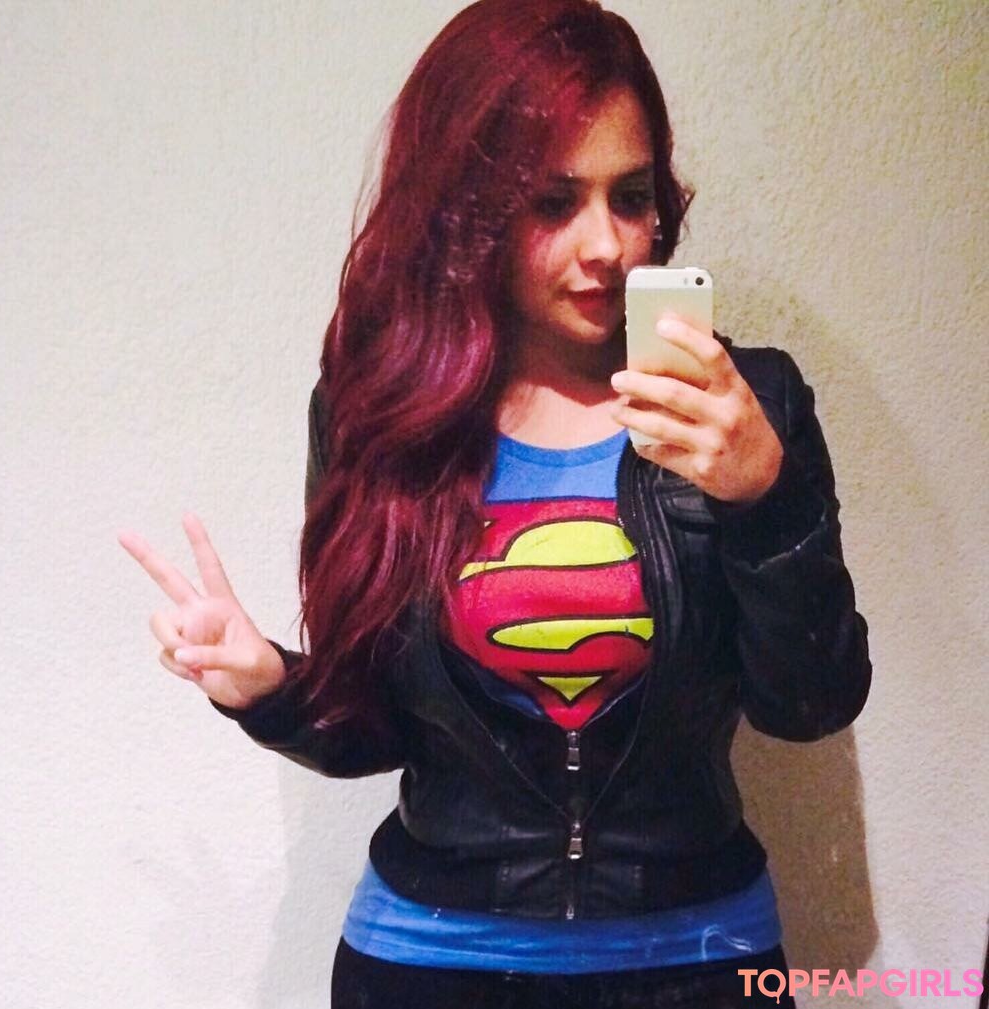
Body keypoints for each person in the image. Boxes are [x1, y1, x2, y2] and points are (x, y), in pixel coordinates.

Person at [119, 1, 871, 1006]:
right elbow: (380, 729)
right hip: (429, 964)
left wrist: (763, 499)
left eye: (631, 196)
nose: (608, 245)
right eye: (553, 202)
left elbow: (811, 704)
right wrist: (266, 685)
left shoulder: (747, 406)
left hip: (699, 960)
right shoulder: (379, 416)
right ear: (466, 210)